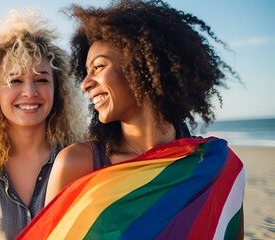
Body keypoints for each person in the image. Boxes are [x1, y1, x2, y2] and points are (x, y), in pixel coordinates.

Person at [17, 1, 245, 239]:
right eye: (85, 72)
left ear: (144, 67)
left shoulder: (218, 166)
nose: (85, 84)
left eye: (98, 67)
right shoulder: (77, 164)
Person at [0, 9, 86, 240]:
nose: (30, 92)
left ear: (57, 89)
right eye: (15, 80)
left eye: (41, 79)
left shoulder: (83, 157)